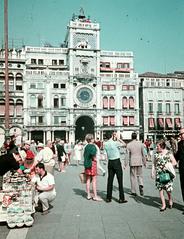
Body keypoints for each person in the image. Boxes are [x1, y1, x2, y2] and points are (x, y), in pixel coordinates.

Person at [151, 139, 176, 212]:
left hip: (167, 173)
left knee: (168, 189)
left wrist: (168, 165)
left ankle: (170, 199)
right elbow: (154, 164)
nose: (156, 148)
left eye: (157, 146)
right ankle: (163, 205)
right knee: (160, 189)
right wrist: (152, 172)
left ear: (162, 146)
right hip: (159, 174)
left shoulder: (169, 153)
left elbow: (174, 162)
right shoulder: (156, 154)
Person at [104, 131, 127, 203]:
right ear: (111, 135)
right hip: (116, 161)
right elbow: (124, 144)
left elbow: (105, 154)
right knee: (120, 180)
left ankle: (108, 197)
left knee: (110, 180)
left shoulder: (105, 144)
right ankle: (121, 198)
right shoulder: (115, 143)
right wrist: (118, 138)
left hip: (110, 161)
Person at [126, 132, 146, 196]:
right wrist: (144, 162)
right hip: (139, 161)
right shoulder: (141, 144)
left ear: (131, 137)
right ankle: (141, 184)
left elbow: (127, 155)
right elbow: (143, 154)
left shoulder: (129, 145)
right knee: (140, 175)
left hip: (132, 162)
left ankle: (133, 191)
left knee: (132, 177)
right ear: (136, 137)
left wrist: (125, 164)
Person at [84, 134, 102, 201]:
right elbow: (93, 156)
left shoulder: (86, 146)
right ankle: (95, 196)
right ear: (91, 139)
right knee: (94, 180)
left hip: (86, 164)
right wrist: (97, 160)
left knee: (88, 180)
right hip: (92, 164)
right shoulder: (93, 147)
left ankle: (88, 195)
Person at [175, 128, 184, 207]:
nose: (180, 136)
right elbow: (178, 154)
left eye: (182, 134)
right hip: (182, 168)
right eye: (180, 134)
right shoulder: (180, 143)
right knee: (183, 187)